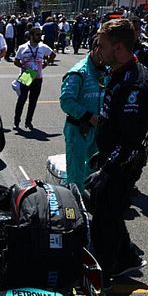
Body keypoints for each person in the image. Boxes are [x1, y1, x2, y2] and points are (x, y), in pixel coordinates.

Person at [82, 19, 148, 287]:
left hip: (122, 163)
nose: (97, 50)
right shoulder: (119, 71)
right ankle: (128, 258)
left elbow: (130, 139)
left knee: (104, 219)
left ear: (119, 48)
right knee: (109, 211)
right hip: (112, 156)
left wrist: (107, 169)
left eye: (101, 46)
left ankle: (103, 275)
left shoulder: (134, 83)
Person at [60, 37, 106, 191]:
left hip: (99, 130)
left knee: (95, 169)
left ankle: (90, 199)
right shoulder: (79, 72)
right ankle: (75, 207)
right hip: (78, 129)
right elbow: (66, 101)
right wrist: (89, 117)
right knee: (76, 174)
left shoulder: (107, 70)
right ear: (96, 48)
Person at [12, 27, 56, 130]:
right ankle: (16, 122)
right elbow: (16, 61)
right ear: (31, 36)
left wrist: (46, 63)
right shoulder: (23, 47)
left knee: (33, 101)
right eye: (37, 35)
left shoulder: (43, 47)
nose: (40, 37)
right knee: (22, 99)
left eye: (40, 34)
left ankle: (28, 122)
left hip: (38, 77)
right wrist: (24, 66)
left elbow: (53, 55)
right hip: (27, 75)